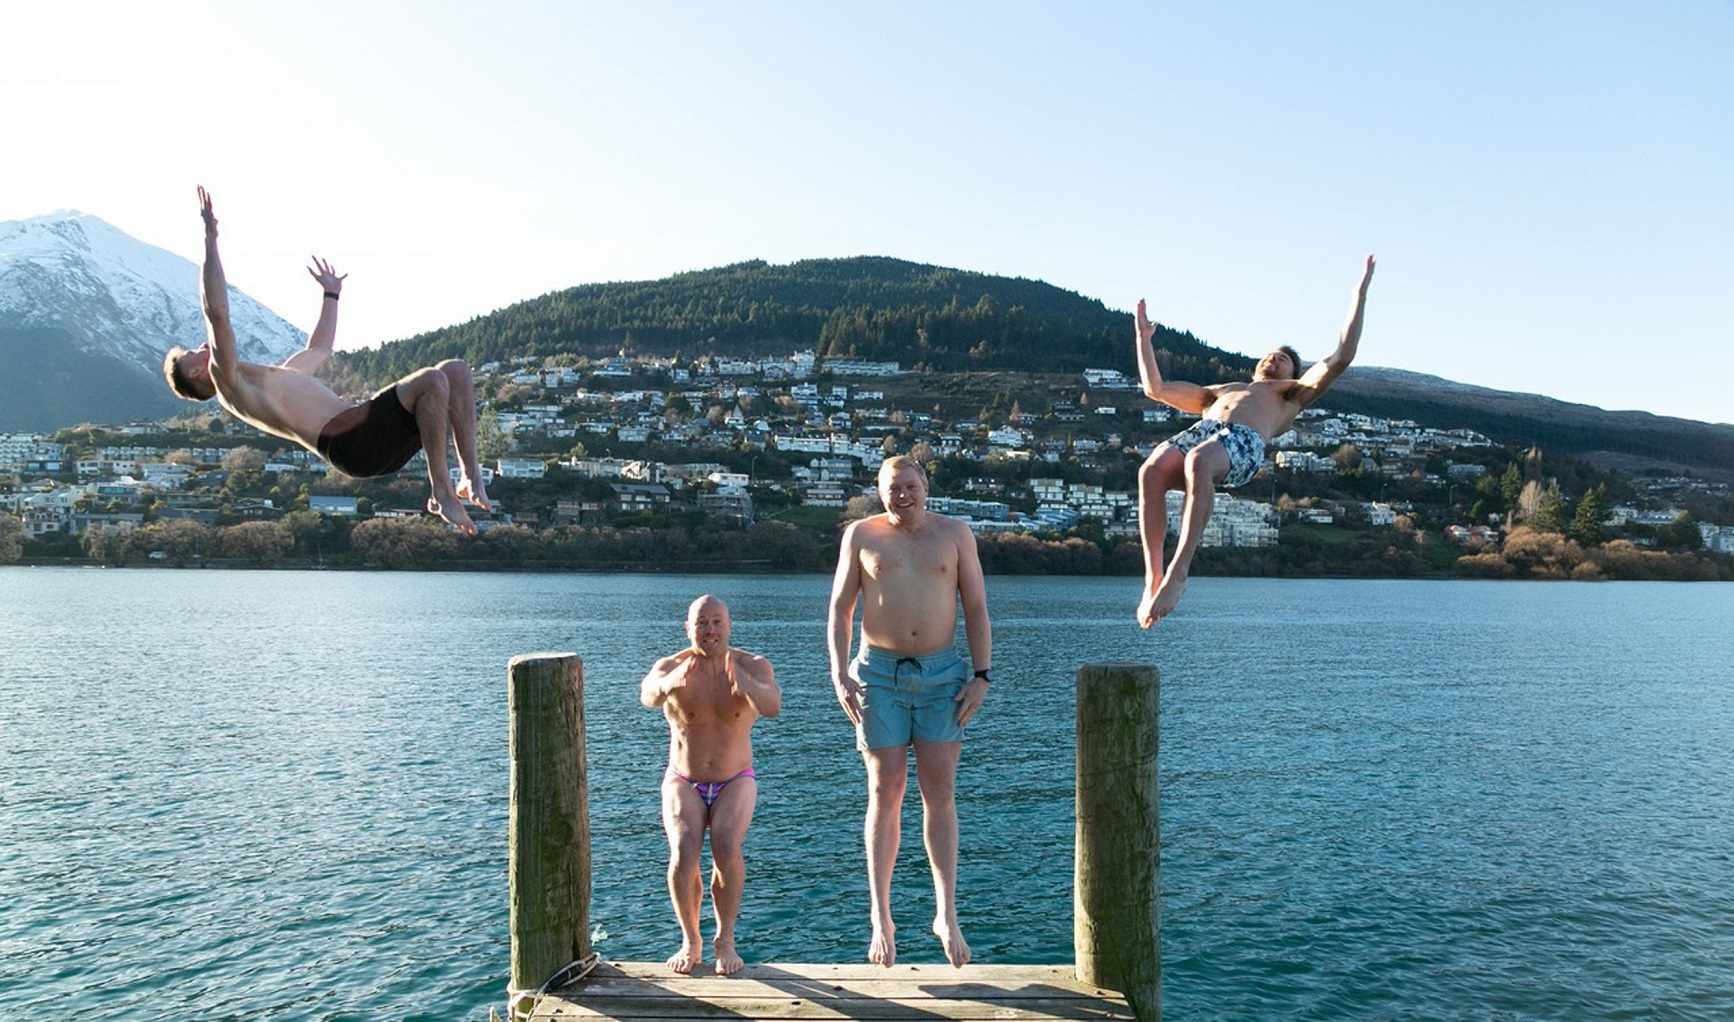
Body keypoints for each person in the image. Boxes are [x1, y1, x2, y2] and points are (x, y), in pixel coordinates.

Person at [162, 187, 490, 534]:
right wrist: (210, 240)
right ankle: (442, 491)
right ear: (197, 370)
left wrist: (330, 294)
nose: (201, 345)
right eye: (192, 352)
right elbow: (217, 313)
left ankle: (470, 477)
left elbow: (319, 350)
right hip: (351, 444)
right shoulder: (228, 384)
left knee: (455, 371)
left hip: (369, 437)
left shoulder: (273, 380)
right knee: (432, 379)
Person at [1134, 255, 1376, 626]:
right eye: (1271, 355)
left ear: (1292, 373)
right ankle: (1154, 575)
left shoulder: (1291, 393)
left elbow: (1342, 356)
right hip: (1206, 431)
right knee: (1151, 470)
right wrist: (1143, 340)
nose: (1275, 359)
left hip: (1244, 442)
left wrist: (1358, 293)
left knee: (1198, 461)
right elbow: (1156, 388)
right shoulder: (1222, 391)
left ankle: (1179, 572)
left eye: (1284, 359)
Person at [828, 455, 991, 969]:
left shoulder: (956, 533)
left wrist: (982, 676)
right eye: (892, 487)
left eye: (910, 485)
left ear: (926, 487)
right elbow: (840, 608)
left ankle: (946, 913)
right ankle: (881, 916)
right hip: (878, 673)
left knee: (940, 791)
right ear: (880, 491)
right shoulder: (860, 534)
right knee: (885, 789)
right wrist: (838, 671)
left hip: (944, 676)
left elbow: (977, 606)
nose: (902, 495)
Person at [641, 594, 781, 975]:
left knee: (725, 846)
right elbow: (647, 695)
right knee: (684, 853)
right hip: (683, 779)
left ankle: (725, 938)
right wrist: (668, 683)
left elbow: (772, 706)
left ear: (729, 625)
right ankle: (691, 939)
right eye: (701, 623)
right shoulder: (672, 666)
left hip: (735, 779)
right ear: (688, 628)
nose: (710, 630)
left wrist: (748, 686)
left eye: (717, 622)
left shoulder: (752, 665)